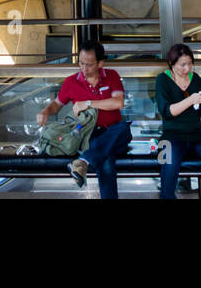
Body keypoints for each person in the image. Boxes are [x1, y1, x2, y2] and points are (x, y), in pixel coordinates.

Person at [35, 40, 131, 198]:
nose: (84, 68)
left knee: (122, 128)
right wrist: (45, 111)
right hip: (89, 135)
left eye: (89, 64)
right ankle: (84, 161)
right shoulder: (72, 82)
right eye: (81, 63)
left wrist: (87, 103)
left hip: (115, 132)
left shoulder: (112, 76)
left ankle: (83, 160)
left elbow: (118, 103)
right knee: (106, 162)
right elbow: (56, 104)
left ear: (100, 63)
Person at [154, 43, 201, 199]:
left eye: (190, 63)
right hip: (171, 135)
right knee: (169, 163)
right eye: (182, 65)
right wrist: (190, 100)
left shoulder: (195, 78)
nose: (187, 69)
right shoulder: (162, 79)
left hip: (196, 135)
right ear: (172, 64)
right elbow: (167, 111)